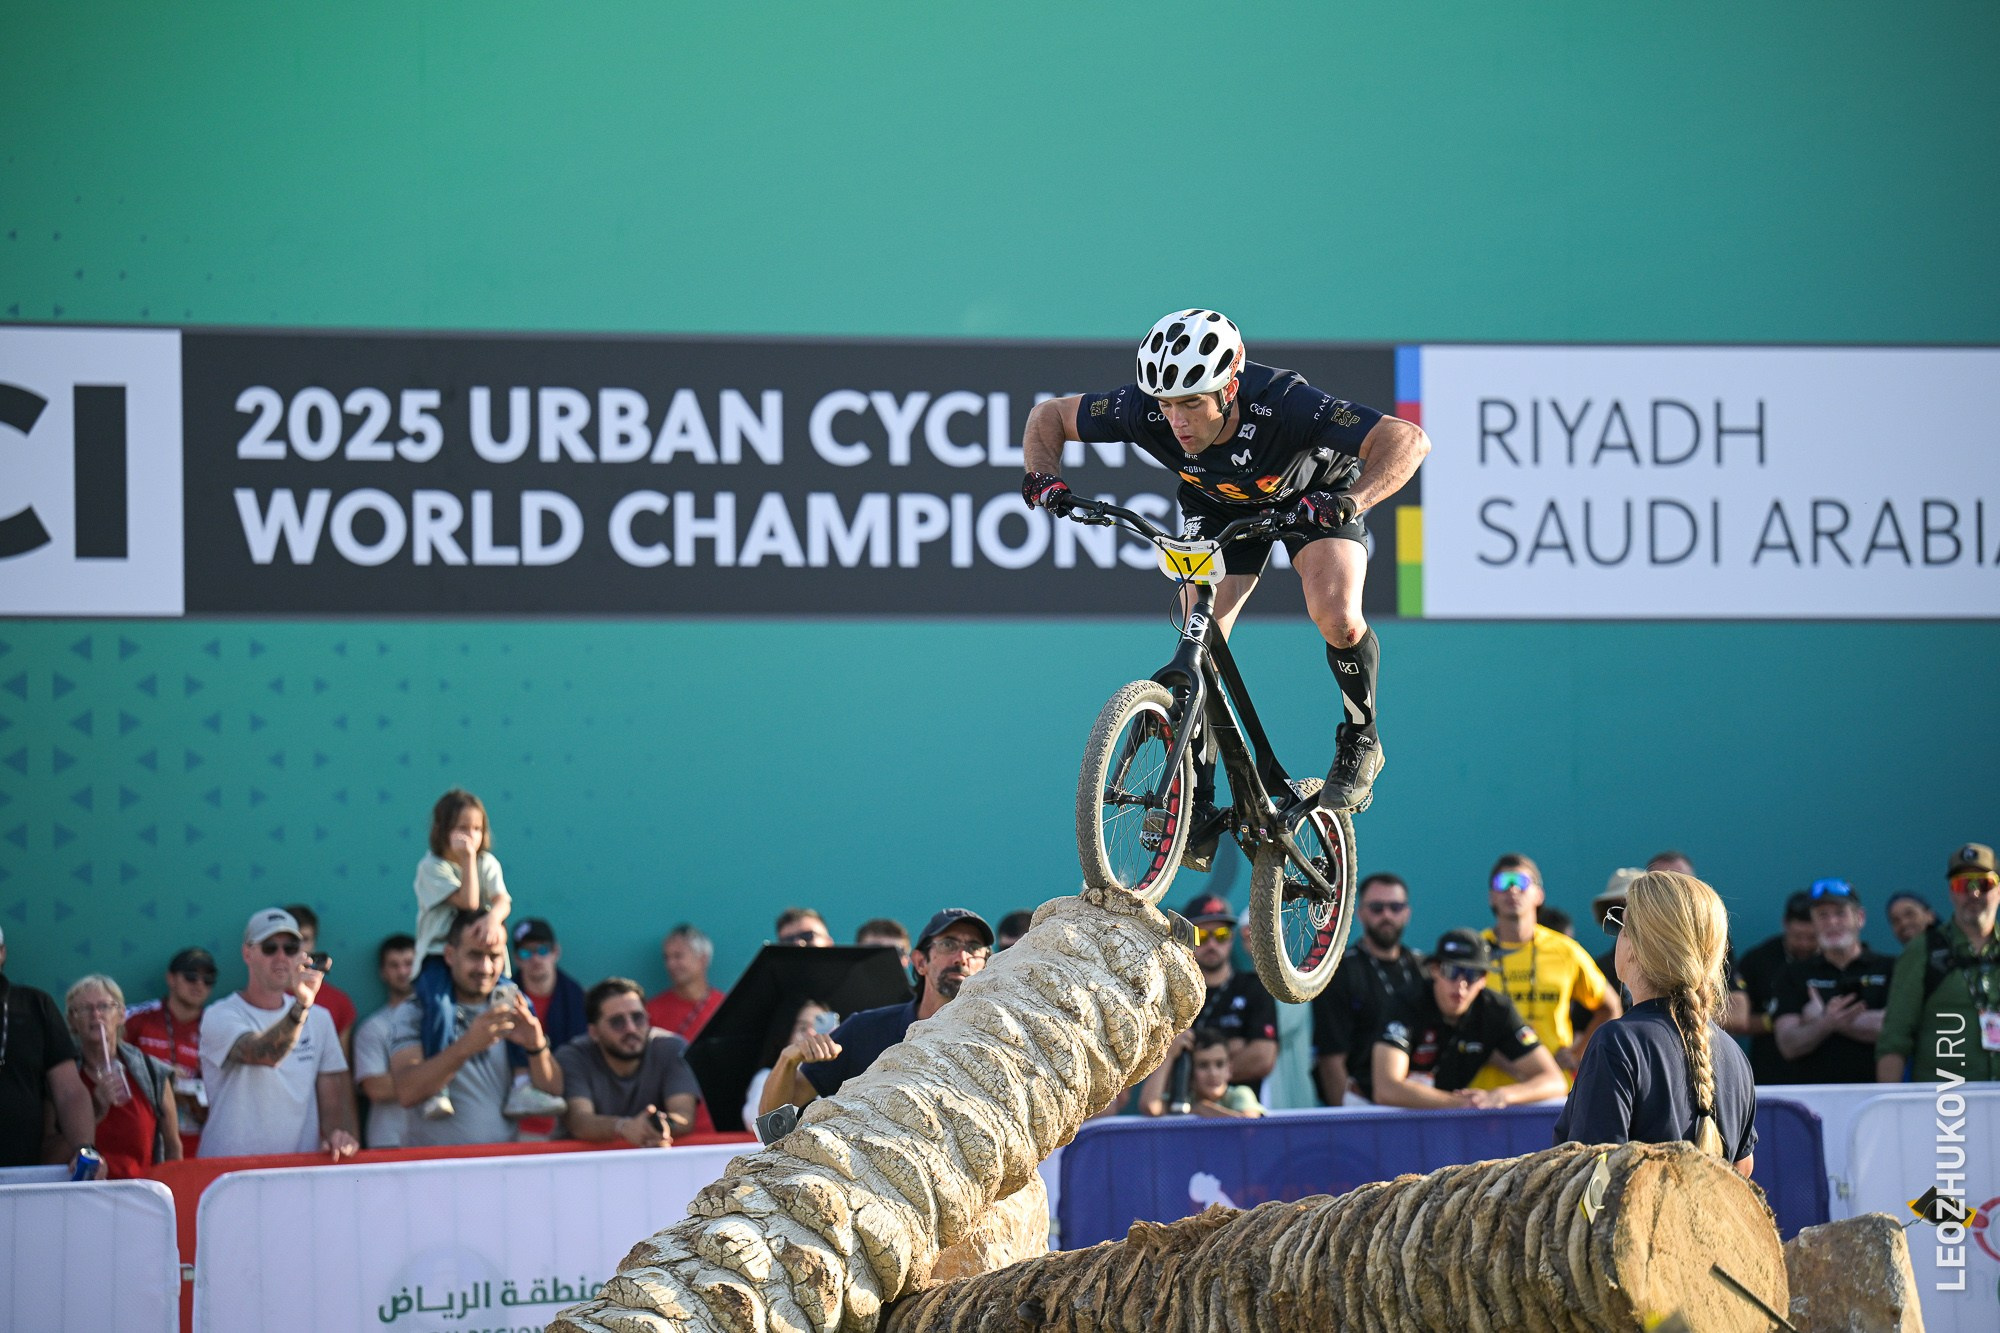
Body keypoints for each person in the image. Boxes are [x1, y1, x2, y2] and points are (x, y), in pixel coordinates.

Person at [1019, 308, 1430, 815]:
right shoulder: (1142, 410)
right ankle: (1200, 794)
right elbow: (1051, 416)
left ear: (1230, 387)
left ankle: (1361, 738)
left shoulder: (1285, 403)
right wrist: (1043, 476)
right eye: (1166, 404)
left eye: (1192, 403)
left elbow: (1408, 439)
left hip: (1312, 497)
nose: (1177, 421)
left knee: (1337, 618)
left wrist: (1350, 502)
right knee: (1202, 639)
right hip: (1217, 507)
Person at [1556, 871, 1756, 1175]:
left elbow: (1592, 1177)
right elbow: (1743, 1169)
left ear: (1637, 944)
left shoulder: (1617, 1042)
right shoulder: (1734, 1054)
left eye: (1621, 924)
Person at [762, 908, 993, 1113]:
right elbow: (772, 1120)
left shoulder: (995, 1042)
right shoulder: (865, 1030)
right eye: (948, 945)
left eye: (974, 948)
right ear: (920, 962)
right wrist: (787, 1061)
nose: (962, 958)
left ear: (986, 966)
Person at [197, 908, 359, 1159]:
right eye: (270, 947)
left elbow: (331, 1106)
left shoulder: (320, 1019)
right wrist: (301, 1007)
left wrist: (338, 1136)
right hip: (229, 1171)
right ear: (247, 953)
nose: (281, 956)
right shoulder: (219, 1015)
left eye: (291, 947)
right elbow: (265, 1054)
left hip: (296, 1171)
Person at [389, 910, 560, 1146]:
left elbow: (554, 1091)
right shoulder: (416, 1010)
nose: (485, 967)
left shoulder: (513, 1006)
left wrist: (536, 1047)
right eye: (474, 955)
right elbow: (408, 1092)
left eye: (494, 956)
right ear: (450, 954)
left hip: (501, 1167)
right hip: (434, 1171)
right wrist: (467, 1046)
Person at [1372, 930, 1566, 1108]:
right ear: (1434, 970)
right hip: (1378, 1111)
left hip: (1447, 1112)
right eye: (1452, 971)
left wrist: (1500, 1096)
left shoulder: (1497, 1010)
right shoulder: (1406, 1003)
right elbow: (1386, 1089)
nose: (1461, 984)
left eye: (1472, 974)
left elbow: (1554, 1081)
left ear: (1484, 979)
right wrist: (1458, 1104)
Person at [1475, 854, 1619, 1092]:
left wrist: (1578, 1052)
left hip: (1555, 1093)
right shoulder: (1476, 952)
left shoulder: (1565, 950)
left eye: (1521, 882)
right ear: (1491, 896)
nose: (1512, 890)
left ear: (1539, 894)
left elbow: (1610, 1007)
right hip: (1489, 1094)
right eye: (1503, 883)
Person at [411, 788, 512, 1121]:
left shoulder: (488, 863)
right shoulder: (431, 867)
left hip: (484, 953)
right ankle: (438, 1087)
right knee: (439, 1007)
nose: (471, 837)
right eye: (462, 828)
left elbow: (502, 900)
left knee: (514, 1002)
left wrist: (494, 920)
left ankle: (524, 1079)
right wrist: (467, 859)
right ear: (442, 830)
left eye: (477, 829)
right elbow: (469, 902)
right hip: (439, 955)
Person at [1877, 843, 2000, 1085]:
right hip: (1946, 1107)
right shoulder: (1923, 950)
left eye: (1982, 884)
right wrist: (1887, 1109)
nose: (1973, 893)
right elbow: (1894, 1038)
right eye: (1962, 884)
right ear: (1951, 893)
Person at [1311, 873, 1425, 1105]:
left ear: (1407, 913)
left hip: (1421, 1099)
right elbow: (1331, 1058)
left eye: (1395, 907)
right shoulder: (1339, 972)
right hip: (1362, 1101)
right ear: (1360, 913)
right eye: (1376, 908)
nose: (1387, 915)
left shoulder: (1423, 968)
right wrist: (1348, 1117)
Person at [1772, 879, 1895, 1083]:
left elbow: (1894, 1031)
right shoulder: (1793, 974)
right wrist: (1829, 1022)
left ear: (1860, 917)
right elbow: (1788, 1045)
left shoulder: (1891, 968)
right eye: (1822, 915)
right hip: (1814, 1101)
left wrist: (1824, 1018)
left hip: (1877, 1097)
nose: (1832, 922)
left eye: (1840, 913)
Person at [61, 975, 183, 1177]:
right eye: (84, 1008)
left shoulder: (151, 1072)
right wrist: (96, 1111)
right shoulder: (63, 1077)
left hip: (141, 1197)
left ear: (121, 1015)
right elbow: (48, 1153)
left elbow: (172, 1148)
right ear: (72, 1021)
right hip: (82, 1198)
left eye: (105, 1007)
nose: (96, 1015)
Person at [0, 927, 99, 1175]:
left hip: (22, 1179)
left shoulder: (35, 1005)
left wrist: (84, 1150)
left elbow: (69, 1091)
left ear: (2, 954)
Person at [558, 978, 702, 1146]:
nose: (631, 1028)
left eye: (638, 1017)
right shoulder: (573, 1056)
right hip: (582, 1166)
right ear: (594, 1032)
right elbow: (580, 1121)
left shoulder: (672, 1047)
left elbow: (684, 1116)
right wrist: (623, 1127)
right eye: (617, 1022)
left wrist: (660, 1125)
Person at [1178, 894, 1278, 1091]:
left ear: (1231, 938)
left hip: (1243, 1114)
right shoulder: (1176, 995)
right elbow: (1164, 1061)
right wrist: (1233, 1048)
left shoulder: (1255, 987)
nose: (1212, 944)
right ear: (1187, 941)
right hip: (1185, 1115)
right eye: (1201, 936)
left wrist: (1197, 1071)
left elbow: (1263, 1058)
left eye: (1221, 935)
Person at [124, 945, 216, 1157]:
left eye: (208, 979)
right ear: (171, 979)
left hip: (195, 1139)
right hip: (142, 1132)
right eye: (191, 976)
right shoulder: (139, 1017)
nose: (199, 984)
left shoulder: (216, 1025)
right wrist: (157, 1074)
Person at [1724, 890, 1818, 1082]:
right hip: (1771, 1070)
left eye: (1812, 938)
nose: (1805, 944)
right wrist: (1780, 1019)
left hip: (1821, 1071)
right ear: (1785, 924)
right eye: (1798, 936)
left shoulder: (1831, 963)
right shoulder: (1759, 960)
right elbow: (1737, 1019)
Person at [505, 918, 584, 1129]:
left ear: (556, 952)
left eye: (542, 950)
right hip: (512, 1122)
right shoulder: (504, 996)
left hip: (565, 1117)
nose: (535, 959)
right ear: (516, 959)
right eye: (525, 953)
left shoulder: (575, 997)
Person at [351, 933, 416, 1149]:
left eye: (409, 963)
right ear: (383, 972)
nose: (402, 972)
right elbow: (376, 1088)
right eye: (394, 965)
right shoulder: (373, 1028)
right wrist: (442, 1072)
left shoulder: (444, 1021)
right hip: (389, 1143)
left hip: (439, 1142)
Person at [741, 998, 831, 1130]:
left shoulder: (844, 1077)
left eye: (820, 1026)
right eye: (802, 1028)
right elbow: (759, 1125)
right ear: (786, 1032)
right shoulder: (766, 1077)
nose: (811, 1033)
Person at [1137, 1028, 1266, 1118]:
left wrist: (1202, 1109)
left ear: (1229, 1069)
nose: (1213, 1073)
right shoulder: (1183, 1100)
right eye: (1203, 1065)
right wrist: (1169, 1055)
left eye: (1219, 1064)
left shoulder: (1239, 1094)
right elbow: (1150, 1106)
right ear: (1190, 1072)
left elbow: (1249, 1127)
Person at [283, 904, 357, 1055]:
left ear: (314, 943)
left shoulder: (339, 1002)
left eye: (305, 939)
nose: (299, 948)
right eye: (292, 940)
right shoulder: (262, 999)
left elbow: (341, 1070)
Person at [646, 924, 725, 1041]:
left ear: (703, 959)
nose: (670, 964)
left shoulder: (724, 1006)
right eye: (666, 957)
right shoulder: (651, 1012)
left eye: (678, 956)